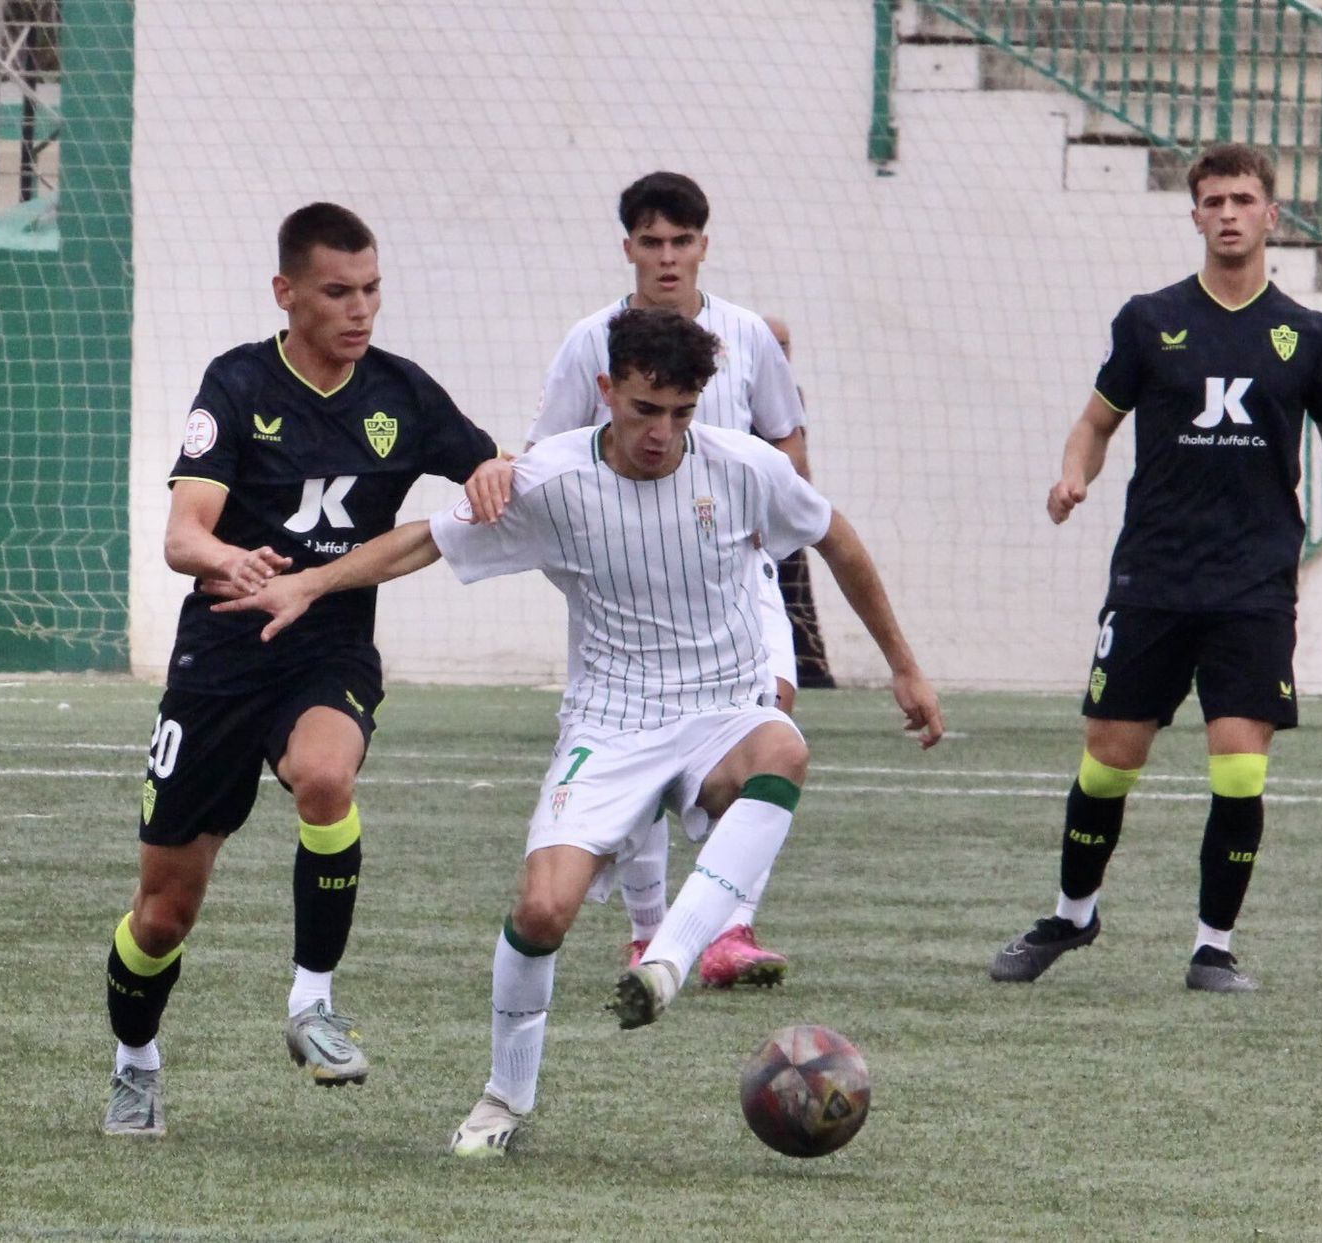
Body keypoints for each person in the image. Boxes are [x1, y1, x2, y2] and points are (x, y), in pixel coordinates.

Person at [216, 307, 944, 1157]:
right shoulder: (553, 479)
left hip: (722, 708)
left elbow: (837, 539)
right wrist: (311, 583)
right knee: (543, 909)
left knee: (783, 746)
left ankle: (666, 959)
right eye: (644, 409)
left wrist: (904, 665)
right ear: (607, 391)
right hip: (610, 722)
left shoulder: (745, 467)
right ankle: (504, 1098)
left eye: (681, 412)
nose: (661, 432)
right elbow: (424, 541)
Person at [101, 202, 504, 1136]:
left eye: (371, 289)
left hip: (328, 647)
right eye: (337, 292)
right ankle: (135, 1062)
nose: (360, 309)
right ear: (286, 293)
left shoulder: (402, 394)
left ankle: (311, 1002)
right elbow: (183, 534)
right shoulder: (238, 383)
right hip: (221, 657)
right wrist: (229, 560)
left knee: (325, 775)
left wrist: (497, 471)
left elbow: (492, 471)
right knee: (163, 914)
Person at [990, 143, 1322, 993]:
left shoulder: (1308, 335)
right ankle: (1072, 914)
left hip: (1254, 582)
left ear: (1271, 214)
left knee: (1239, 766)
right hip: (1155, 575)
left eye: (1244, 199)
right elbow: (1095, 423)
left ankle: (1213, 947)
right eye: (1214, 201)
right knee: (1109, 760)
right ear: (1195, 214)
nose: (1229, 213)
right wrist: (1073, 475)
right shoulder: (1148, 320)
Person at [527, 171, 813, 988]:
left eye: (681, 241)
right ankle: (648, 931)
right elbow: (542, 453)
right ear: (628, 248)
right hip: (627, 586)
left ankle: (728, 925)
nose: (666, 256)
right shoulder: (591, 340)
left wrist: (775, 524)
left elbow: (787, 437)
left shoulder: (747, 334)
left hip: (733, 569)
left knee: (769, 721)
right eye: (651, 241)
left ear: (703, 247)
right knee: (645, 737)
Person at [763, 314, 837, 691]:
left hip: (783, 510)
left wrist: (801, 500)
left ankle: (811, 670)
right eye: (771, 345)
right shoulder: (748, 391)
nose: (779, 353)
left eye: (784, 345)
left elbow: (798, 454)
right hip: (749, 514)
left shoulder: (792, 393)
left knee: (795, 591)